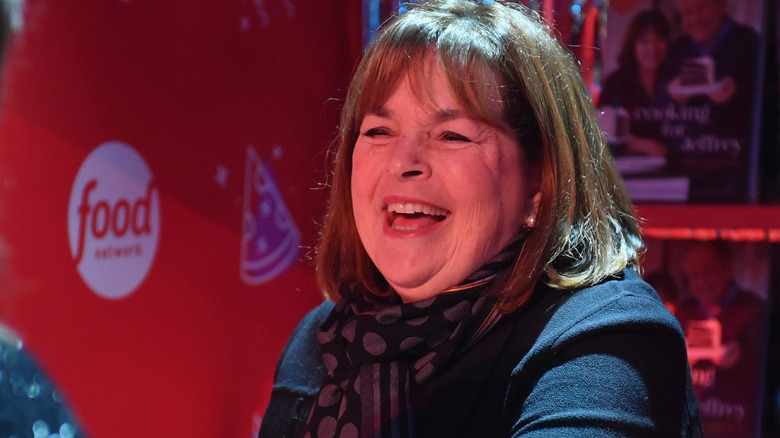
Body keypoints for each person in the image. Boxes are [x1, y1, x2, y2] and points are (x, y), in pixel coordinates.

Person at [259, 1, 701, 437]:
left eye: (452, 135)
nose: (402, 162)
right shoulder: (322, 339)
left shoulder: (609, 339)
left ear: (540, 182)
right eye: (379, 131)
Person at [658, 0, 761, 201]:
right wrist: (672, 95)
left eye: (702, 8)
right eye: (688, 12)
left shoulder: (752, 43)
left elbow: (769, 102)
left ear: (721, 5)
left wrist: (738, 94)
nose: (695, 18)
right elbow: (657, 106)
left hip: (739, 171)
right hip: (687, 172)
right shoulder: (677, 49)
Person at [675, 241, 767, 438]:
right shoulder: (682, 312)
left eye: (708, 272)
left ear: (728, 269)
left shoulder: (756, 311)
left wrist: (741, 356)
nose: (701, 283)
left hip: (739, 426)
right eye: (694, 276)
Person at [599, 9, 672, 158]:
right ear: (633, 45)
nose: (652, 48)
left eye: (658, 39)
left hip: (676, 168)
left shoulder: (679, 81)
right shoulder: (616, 84)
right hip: (627, 169)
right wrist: (638, 145)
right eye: (644, 41)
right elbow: (599, 135)